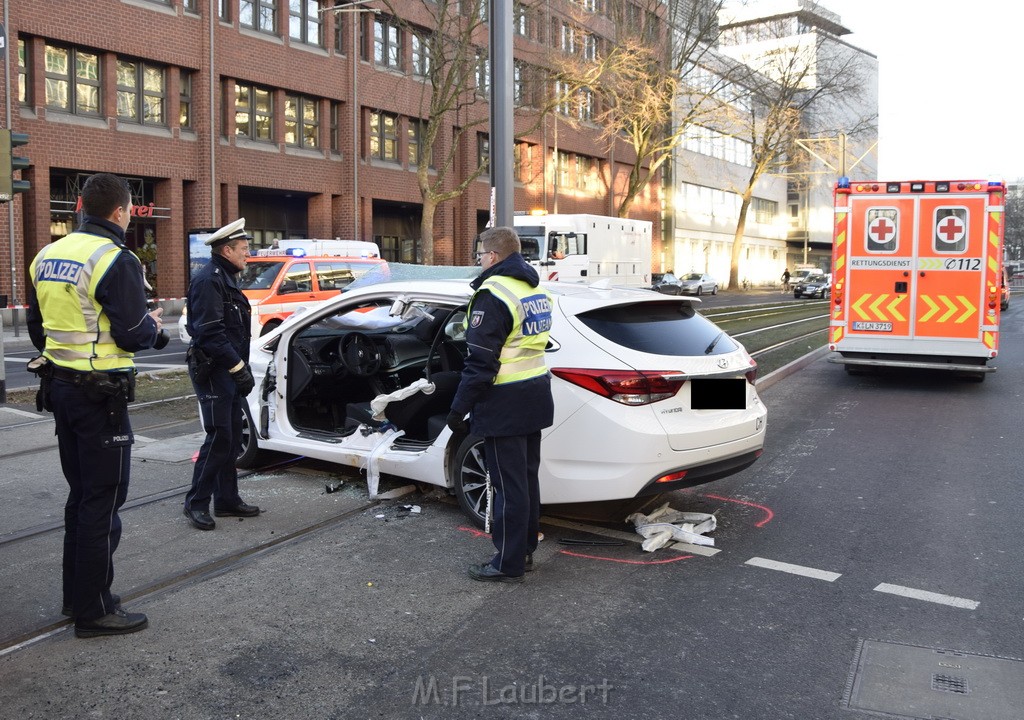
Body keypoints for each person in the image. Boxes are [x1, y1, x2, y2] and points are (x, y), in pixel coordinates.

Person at [26, 172, 165, 637]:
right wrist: (153, 326)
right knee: (103, 500)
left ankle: (77, 596)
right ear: (122, 211)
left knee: (81, 495)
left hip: (61, 388)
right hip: (99, 394)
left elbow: (36, 326)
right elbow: (132, 333)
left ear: (81, 207)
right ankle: (95, 609)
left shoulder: (47, 254)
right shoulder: (114, 258)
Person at [446, 226, 554, 583]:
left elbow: (480, 364)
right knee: (525, 481)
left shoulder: (493, 294)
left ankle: (506, 563)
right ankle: (522, 551)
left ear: (492, 256)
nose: (478, 261)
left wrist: (457, 408)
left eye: (480, 255)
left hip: (504, 401)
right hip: (534, 394)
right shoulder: (533, 286)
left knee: (507, 488)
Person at [182, 218, 260, 531]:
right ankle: (196, 503)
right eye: (243, 250)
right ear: (226, 250)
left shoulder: (223, 277)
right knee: (220, 437)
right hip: (215, 370)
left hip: (225, 370)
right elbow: (210, 333)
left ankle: (227, 500)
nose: (247, 255)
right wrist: (238, 367)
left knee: (227, 438)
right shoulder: (209, 280)